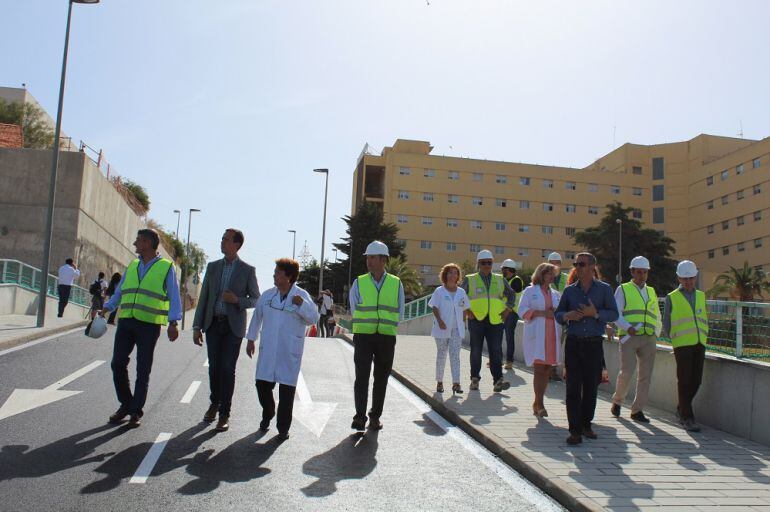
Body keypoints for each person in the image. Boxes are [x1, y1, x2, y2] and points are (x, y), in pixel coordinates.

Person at [101, 229, 181, 428]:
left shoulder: (166, 266)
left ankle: (135, 411)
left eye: (139, 240)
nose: (135, 243)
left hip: (149, 324)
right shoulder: (133, 264)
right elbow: (120, 291)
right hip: (127, 320)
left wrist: (173, 323)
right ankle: (126, 404)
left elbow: (174, 296)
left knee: (142, 369)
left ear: (147, 243)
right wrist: (106, 308)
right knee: (117, 363)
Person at [193, 229, 260, 432]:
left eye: (226, 239)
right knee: (214, 368)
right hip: (213, 324)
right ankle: (215, 402)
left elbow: (256, 299)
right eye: (222, 238)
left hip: (233, 328)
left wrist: (237, 300)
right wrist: (197, 326)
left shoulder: (247, 270)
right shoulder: (213, 267)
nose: (222, 242)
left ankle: (224, 413)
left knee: (227, 369)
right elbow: (203, 297)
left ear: (237, 244)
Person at [246, 258, 318, 440]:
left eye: (278, 272)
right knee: (262, 385)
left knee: (287, 393)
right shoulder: (268, 295)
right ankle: (268, 411)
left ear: (289, 277)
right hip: (269, 349)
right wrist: (251, 339)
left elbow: (313, 318)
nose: (274, 275)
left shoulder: (301, 296)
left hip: (289, 351)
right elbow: (257, 317)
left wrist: (301, 304)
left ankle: (283, 428)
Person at [555, 252, 618, 445]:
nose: (578, 267)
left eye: (581, 264)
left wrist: (595, 313)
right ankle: (574, 430)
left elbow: (614, 314)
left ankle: (586, 424)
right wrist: (568, 316)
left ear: (592, 267)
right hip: (574, 343)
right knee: (573, 387)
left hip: (593, 343)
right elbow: (558, 314)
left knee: (591, 387)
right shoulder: (570, 291)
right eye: (576, 264)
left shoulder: (604, 290)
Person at [349, 241, 405, 431]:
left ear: (383, 260)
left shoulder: (396, 283)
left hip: (386, 337)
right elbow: (354, 307)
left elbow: (401, 309)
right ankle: (359, 416)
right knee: (361, 378)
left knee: (381, 379)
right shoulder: (359, 282)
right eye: (367, 257)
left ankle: (375, 417)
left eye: (372, 257)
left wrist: (390, 327)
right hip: (364, 336)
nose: (369, 261)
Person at [610, 256, 661, 423]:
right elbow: (615, 313)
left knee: (646, 375)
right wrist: (627, 327)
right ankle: (618, 400)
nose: (641, 275)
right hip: (629, 337)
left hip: (648, 337)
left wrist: (656, 332)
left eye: (644, 272)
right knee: (627, 372)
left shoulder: (651, 291)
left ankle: (637, 410)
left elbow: (657, 314)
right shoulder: (623, 289)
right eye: (638, 271)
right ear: (632, 271)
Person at [662, 260, 708, 433]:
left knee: (697, 380)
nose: (688, 281)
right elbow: (666, 321)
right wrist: (673, 338)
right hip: (682, 344)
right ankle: (687, 417)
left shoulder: (701, 296)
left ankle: (682, 407)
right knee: (684, 380)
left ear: (695, 277)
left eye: (691, 278)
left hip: (699, 342)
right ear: (679, 278)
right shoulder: (672, 297)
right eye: (684, 278)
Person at [462, 249, 516, 392]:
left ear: (492, 263)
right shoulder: (470, 279)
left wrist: (507, 310)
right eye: (484, 263)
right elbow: (460, 297)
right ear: (478, 264)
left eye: (489, 263)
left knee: (496, 351)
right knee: (476, 350)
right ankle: (474, 379)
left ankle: (498, 381)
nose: (487, 265)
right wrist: (467, 311)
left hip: (495, 320)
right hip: (476, 320)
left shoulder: (500, 279)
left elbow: (512, 295)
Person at [518, 263, 562, 418]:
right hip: (537, 335)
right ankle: (540, 403)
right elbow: (521, 310)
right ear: (541, 274)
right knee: (538, 369)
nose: (552, 276)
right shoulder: (530, 291)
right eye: (549, 273)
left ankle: (537, 402)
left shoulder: (556, 294)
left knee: (546, 370)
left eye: (553, 273)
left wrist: (558, 313)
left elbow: (561, 312)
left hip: (552, 335)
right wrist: (541, 313)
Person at [429, 263, 470, 394]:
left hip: (456, 330)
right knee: (441, 355)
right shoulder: (439, 291)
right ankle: (439, 382)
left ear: (458, 276)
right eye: (450, 272)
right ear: (445, 275)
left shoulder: (461, 292)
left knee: (455, 356)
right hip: (441, 328)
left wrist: (463, 323)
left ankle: (456, 383)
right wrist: (440, 321)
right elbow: (434, 307)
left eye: (455, 273)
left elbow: (464, 308)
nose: (453, 275)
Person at [501, 259, 524, 370]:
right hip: (503, 311)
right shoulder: (504, 280)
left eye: (503, 269)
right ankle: (497, 359)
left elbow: (511, 295)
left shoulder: (516, 281)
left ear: (508, 269)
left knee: (509, 337)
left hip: (512, 312)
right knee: (498, 336)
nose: (502, 271)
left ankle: (509, 361)